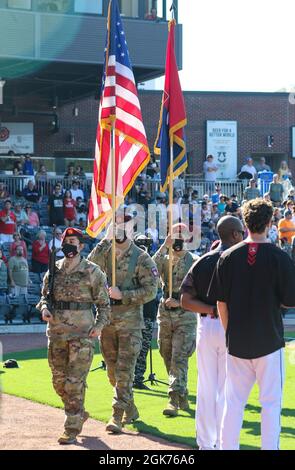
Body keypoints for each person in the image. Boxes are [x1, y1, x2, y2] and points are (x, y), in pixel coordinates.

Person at [215, 199, 295, 450]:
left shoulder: (227, 256)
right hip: (269, 342)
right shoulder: (279, 257)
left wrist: (231, 334)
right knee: (270, 405)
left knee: (233, 404)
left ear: (245, 223)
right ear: (270, 223)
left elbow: (221, 304)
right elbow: (290, 302)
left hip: (237, 341)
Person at [37, 227, 111, 445]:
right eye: (66, 241)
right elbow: (44, 298)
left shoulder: (93, 271)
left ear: (81, 246)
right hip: (57, 332)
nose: (70, 244)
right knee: (58, 382)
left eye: (74, 241)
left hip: (82, 334)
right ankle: (78, 411)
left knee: (74, 382)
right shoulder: (53, 270)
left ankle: (71, 427)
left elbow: (104, 305)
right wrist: (44, 309)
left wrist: (99, 326)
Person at [87, 209, 159, 434]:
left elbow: (151, 290)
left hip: (130, 322)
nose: (120, 228)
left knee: (125, 371)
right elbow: (88, 267)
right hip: (107, 321)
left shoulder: (142, 257)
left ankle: (116, 416)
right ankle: (131, 407)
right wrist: (104, 240)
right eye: (116, 224)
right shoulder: (105, 252)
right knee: (112, 372)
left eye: (124, 224)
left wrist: (124, 295)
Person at [180, 216, 244, 450]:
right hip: (232, 326)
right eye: (242, 231)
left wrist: (210, 309)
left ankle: (207, 444)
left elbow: (185, 300)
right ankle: (225, 442)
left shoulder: (203, 261)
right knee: (229, 389)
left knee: (206, 387)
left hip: (207, 325)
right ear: (235, 235)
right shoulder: (243, 261)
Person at [152, 223, 197, 416]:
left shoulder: (194, 261)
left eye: (181, 235)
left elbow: (201, 292)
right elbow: (149, 269)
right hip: (165, 313)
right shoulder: (164, 260)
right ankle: (182, 393)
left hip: (185, 314)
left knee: (179, 357)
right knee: (166, 353)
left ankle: (173, 400)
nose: (178, 239)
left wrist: (179, 303)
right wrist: (164, 245)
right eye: (174, 235)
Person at [133, 234, 159, 390]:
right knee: (130, 347)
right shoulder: (129, 264)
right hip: (132, 312)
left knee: (143, 347)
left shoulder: (152, 264)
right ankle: (126, 378)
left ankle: (138, 378)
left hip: (148, 311)